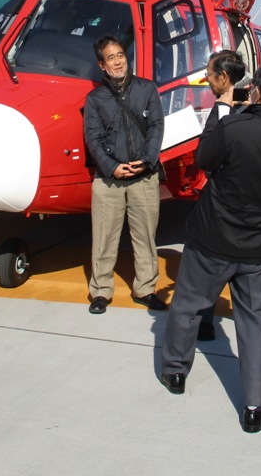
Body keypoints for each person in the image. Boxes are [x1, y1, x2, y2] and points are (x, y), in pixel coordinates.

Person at [159, 61, 261, 433]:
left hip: (213, 234)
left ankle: (175, 372)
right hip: (259, 242)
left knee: (188, 305)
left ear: (257, 91)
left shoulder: (234, 126)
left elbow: (205, 160)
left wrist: (225, 109)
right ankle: (254, 405)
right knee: (254, 322)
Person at [196, 51, 261, 340]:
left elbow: (214, 152)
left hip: (239, 197)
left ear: (224, 78)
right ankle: (205, 321)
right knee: (216, 261)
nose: (207, 80)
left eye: (210, 75)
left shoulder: (243, 111)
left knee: (242, 265)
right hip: (223, 198)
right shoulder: (227, 108)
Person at [83, 35, 165, 314]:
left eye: (120, 55)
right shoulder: (94, 99)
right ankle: (101, 291)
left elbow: (156, 127)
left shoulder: (147, 89)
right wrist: (111, 166)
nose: (117, 61)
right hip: (109, 181)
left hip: (144, 177)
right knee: (104, 238)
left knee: (146, 237)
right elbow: (92, 138)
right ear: (101, 64)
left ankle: (146, 288)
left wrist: (146, 160)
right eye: (111, 58)